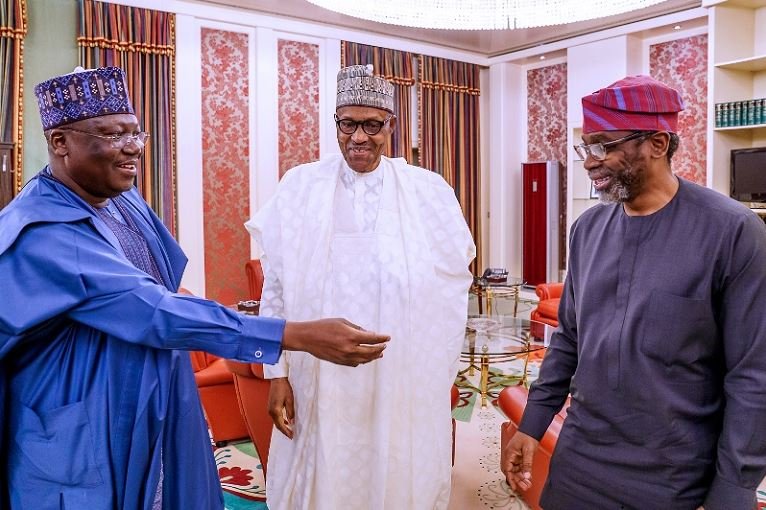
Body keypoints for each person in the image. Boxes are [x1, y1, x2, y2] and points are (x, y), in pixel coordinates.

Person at [0, 66, 390, 510]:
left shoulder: (119, 199)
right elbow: (152, 308)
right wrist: (292, 335)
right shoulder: (43, 231)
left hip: (155, 388)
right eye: (110, 136)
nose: (131, 149)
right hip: (85, 412)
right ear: (59, 143)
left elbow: (165, 283)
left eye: (135, 134)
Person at [502, 75, 766, 509]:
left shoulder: (733, 232)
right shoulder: (587, 230)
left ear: (657, 144)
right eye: (586, 146)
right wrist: (532, 425)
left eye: (605, 145)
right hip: (581, 461)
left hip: (674, 474)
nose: (590, 162)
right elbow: (569, 339)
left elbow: (753, 375)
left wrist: (734, 490)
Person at [245, 64, 476, 509]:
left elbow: (452, 282)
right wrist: (277, 374)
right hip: (319, 375)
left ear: (391, 125)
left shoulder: (426, 191)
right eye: (347, 124)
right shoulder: (300, 187)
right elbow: (276, 286)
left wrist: (429, 368)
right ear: (335, 123)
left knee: (393, 466)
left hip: (401, 373)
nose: (359, 137)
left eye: (373, 125)